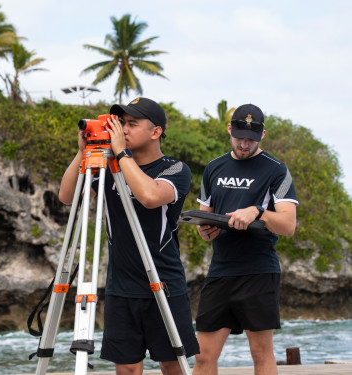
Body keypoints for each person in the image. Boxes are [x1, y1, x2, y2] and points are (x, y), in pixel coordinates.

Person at [59, 97, 199, 375]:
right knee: (127, 368)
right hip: (121, 286)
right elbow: (66, 196)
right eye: (121, 123)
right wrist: (83, 152)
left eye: (132, 124)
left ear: (155, 131)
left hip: (164, 283)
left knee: (172, 364)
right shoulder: (107, 168)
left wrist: (122, 155)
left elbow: (150, 196)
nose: (123, 130)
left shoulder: (175, 169)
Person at [192, 104, 298, 375]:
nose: (244, 143)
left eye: (251, 138)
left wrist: (258, 211)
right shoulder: (213, 167)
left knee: (260, 353)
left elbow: (288, 225)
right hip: (220, 271)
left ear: (263, 134)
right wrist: (204, 230)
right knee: (203, 356)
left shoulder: (277, 170)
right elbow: (205, 219)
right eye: (239, 136)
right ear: (230, 129)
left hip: (258, 271)